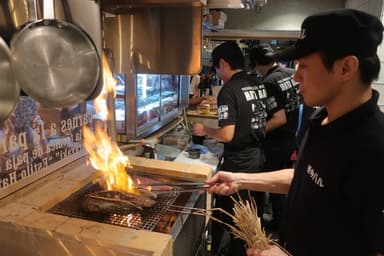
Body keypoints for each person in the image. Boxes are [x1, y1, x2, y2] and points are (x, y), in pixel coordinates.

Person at [205, 8, 384, 256]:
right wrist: (240, 179)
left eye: (305, 66)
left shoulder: (373, 148)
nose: (296, 76)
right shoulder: (321, 119)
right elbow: (305, 177)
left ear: (346, 68)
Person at [193, 41, 268, 256]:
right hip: (258, 157)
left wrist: (205, 129)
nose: (217, 73)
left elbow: (227, 134)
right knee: (248, 217)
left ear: (223, 63)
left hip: (239, 163)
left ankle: (220, 251)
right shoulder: (257, 82)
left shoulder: (228, 90)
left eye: (216, 67)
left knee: (233, 219)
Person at [249, 43, 303, 234]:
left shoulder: (269, 82)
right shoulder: (290, 73)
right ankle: (280, 226)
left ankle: (266, 230)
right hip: (291, 138)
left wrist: (255, 132)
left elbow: (279, 119)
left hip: (276, 143)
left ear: (256, 64)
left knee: (267, 185)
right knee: (281, 188)